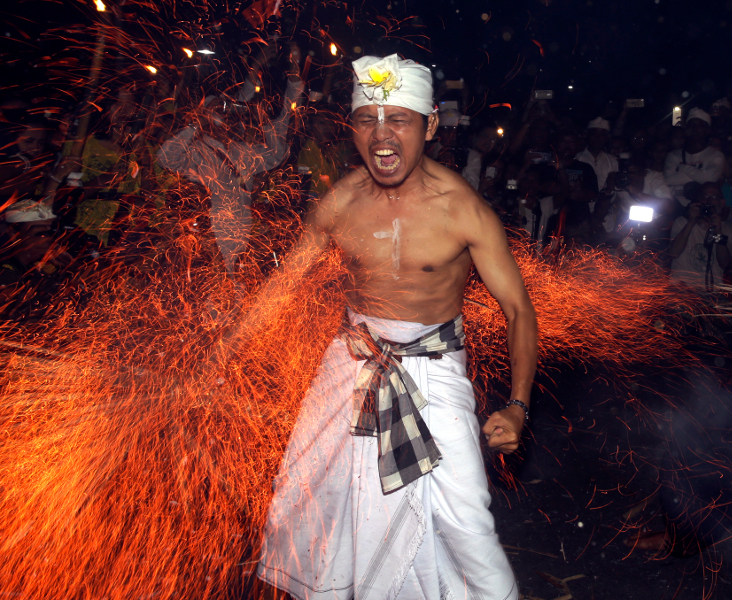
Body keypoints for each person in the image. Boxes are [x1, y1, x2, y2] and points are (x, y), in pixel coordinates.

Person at [221, 54, 537, 600]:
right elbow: (281, 286)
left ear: (430, 125)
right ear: (352, 126)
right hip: (351, 364)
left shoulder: (463, 209)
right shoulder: (340, 201)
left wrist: (518, 404)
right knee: (321, 498)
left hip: (433, 372)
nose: (382, 135)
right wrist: (222, 354)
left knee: (463, 518)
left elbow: (519, 311)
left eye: (400, 119)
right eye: (368, 119)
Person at [157, 45, 304, 285]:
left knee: (235, 286)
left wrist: (263, 119)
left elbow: (275, 155)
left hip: (240, 228)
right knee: (208, 287)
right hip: (206, 234)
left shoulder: (240, 151)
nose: (223, 117)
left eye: (224, 113)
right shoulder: (197, 150)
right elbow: (165, 159)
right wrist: (196, 126)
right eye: (216, 113)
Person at [667, 183, 732, 292]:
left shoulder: (726, 230)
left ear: (722, 203)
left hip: (711, 292)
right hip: (682, 290)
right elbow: (673, 253)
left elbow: (725, 264)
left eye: (714, 197)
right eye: (705, 197)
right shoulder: (681, 223)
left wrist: (717, 231)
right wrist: (691, 221)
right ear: (698, 201)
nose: (709, 201)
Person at [664, 108, 725, 207]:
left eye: (700, 125)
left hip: (703, 209)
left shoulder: (716, 155)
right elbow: (668, 179)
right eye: (691, 125)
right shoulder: (673, 155)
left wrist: (682, 168)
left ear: (707, 130)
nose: (695, 129)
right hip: (675, 209)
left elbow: (709, 179)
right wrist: (700, 175)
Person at [575, 117, 618, 192]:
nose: (598, 138)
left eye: (602, 135)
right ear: (588, 135)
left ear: (606, 138)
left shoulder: (613, 160)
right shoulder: (577, 158)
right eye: (594, 134)